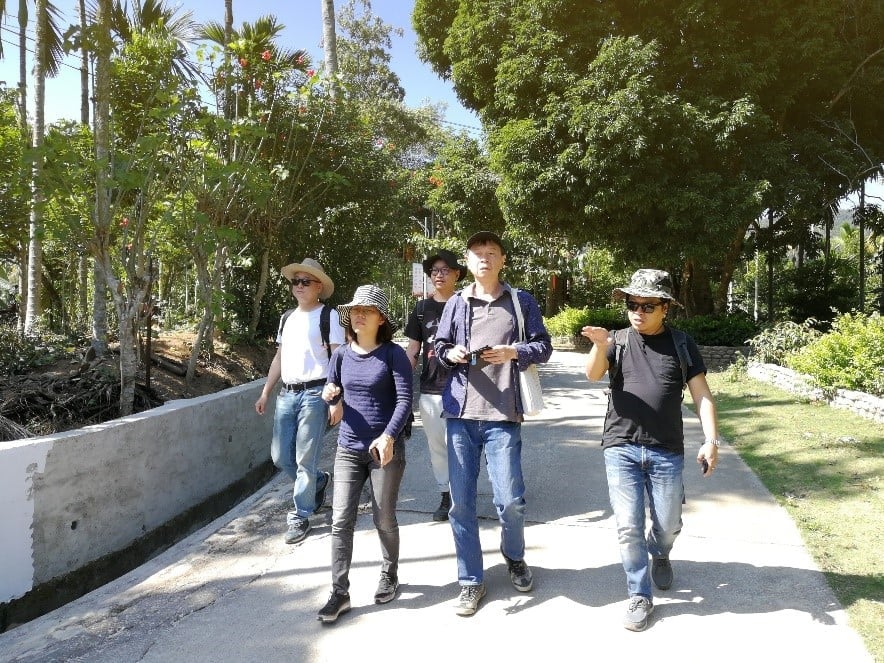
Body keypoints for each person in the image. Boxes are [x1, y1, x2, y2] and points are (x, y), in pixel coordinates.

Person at [580, 268, 722, 632]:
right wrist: (600, 345)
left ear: (665, 308)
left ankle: (660, 551)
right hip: (621, 445)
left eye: (647, 306)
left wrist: (711, 440)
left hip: (666, 450)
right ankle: (639, 595)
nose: (638, 312)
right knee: (628, 526)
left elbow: (702, 396)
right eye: (632, 305)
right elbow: (592, 374)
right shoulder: (616, 340)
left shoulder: (682, 344)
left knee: (668, 524)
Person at [433, 231, 553, 617]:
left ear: (502, 260)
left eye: (491, 252)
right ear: (467, 262)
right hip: (461, 415)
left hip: (503, 414)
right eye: (477, 253)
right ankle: (471, 580)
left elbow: (544, 346)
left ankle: (514, 557)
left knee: (510, 501)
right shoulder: (456, 302)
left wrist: (513, 351)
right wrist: (451, 352)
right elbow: (439, 347)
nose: (484, 257)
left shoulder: (521, 301)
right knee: (461, 503)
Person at [317, 285, 413, 624]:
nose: (359, 315)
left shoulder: (393, 355)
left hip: (384, 450)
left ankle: (389, 574)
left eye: (367, 310)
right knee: (340, 520)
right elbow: (334, 399)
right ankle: (339, 592)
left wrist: (388, 436)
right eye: (355, 310)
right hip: (347, 448)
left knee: (383, 518)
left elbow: (404, 401)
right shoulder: (341, 355)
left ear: (381, 319)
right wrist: (331, 397)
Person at [255, 258, 344, 545]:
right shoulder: (287, 318)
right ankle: (318, 481)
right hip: (287, 394)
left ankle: (300, 516)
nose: (299, 286)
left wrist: (336, 398)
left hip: (316, 394)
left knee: (305, 458)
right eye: (296, 281)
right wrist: (266, 391)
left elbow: (337, 358)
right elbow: (279, 358)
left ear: (319, 287)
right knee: (280, 457)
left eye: (306, 282)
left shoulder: (328, 316)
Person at [405, 249, 467, 521]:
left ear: (457, 274)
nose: (438, 275)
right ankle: (446, 494)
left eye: (444, 270)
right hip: (431, 389)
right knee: (438, 448)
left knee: (463, 447)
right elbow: (413, 350)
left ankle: (463, 495)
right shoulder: (421, 310)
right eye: (434, 271)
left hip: (464, 388)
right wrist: (399, 385)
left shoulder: (467, 305)